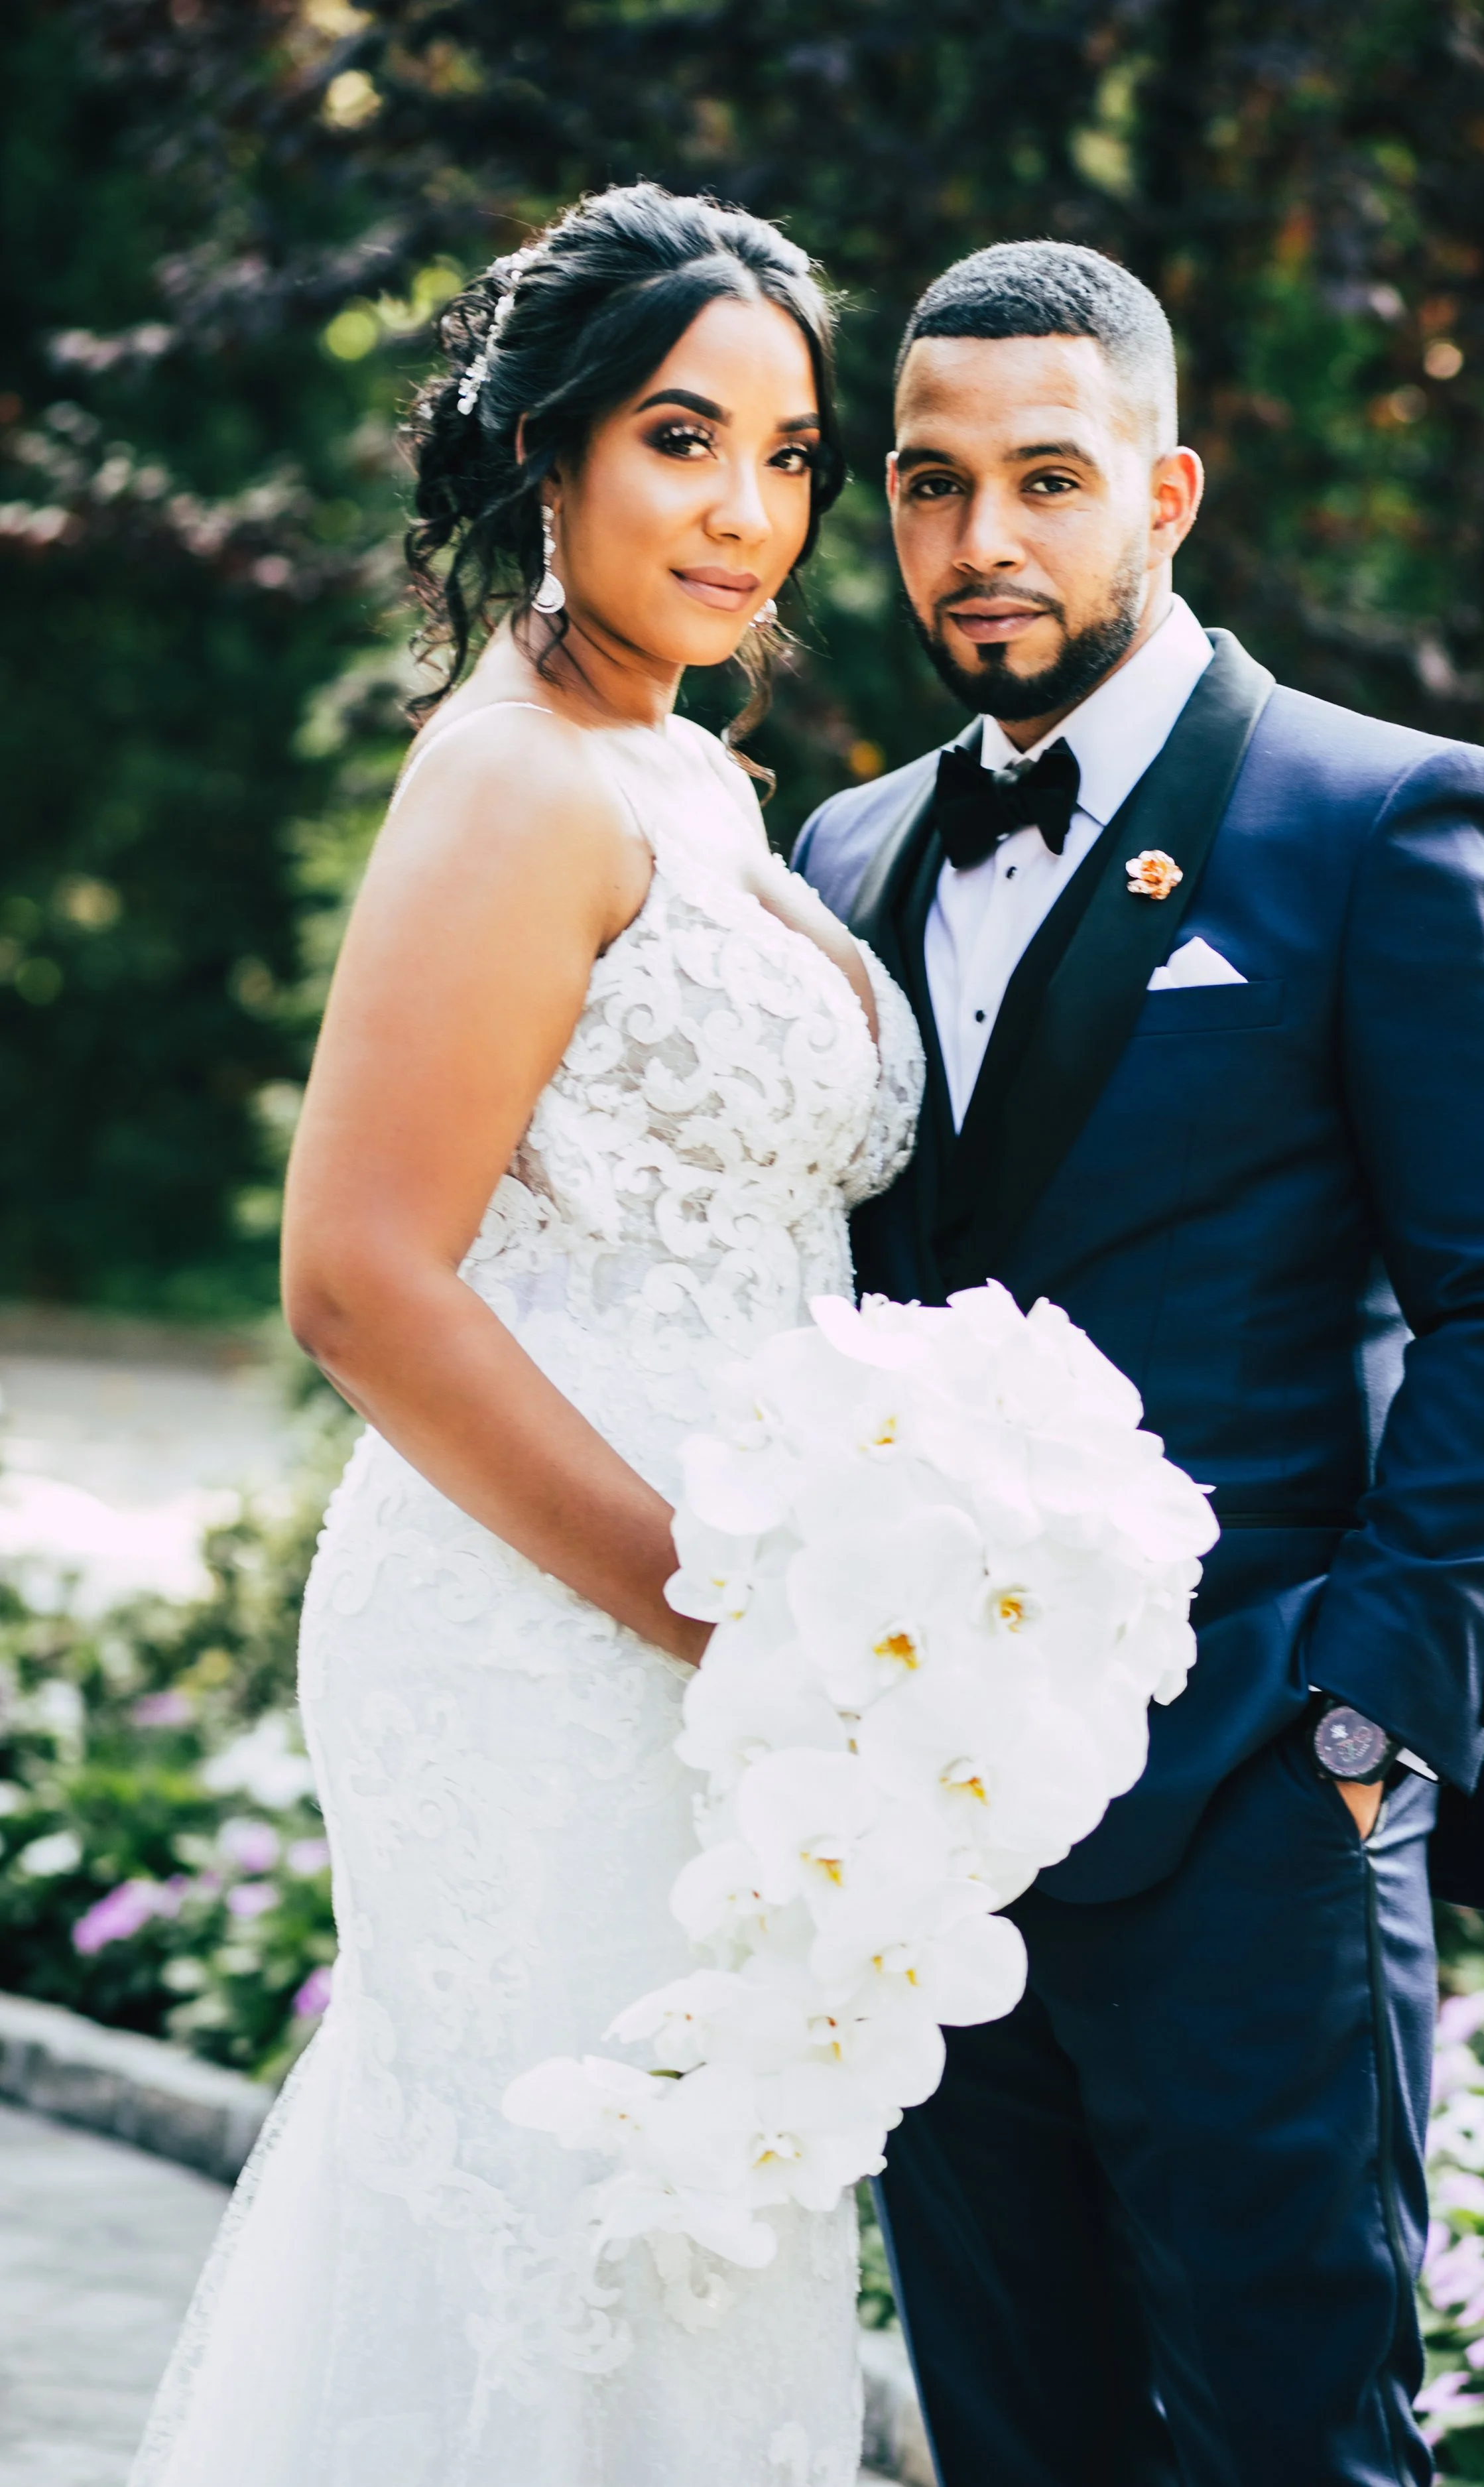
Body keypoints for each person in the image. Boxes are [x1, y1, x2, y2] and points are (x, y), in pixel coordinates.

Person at [793, 240, 1484, 2486]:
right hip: (929, 1845)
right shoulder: (840, 849)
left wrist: (1367, 1726)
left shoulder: (1386, 820)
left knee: (1294, 2450)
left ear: (1163, 491)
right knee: (1012, 2446)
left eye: (1046, 480)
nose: (983, 542)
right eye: (931, 483)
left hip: (1253, 1797)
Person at [128, 184, 921, 2487]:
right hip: (554, 1625)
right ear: (549, 455)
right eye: (685, 438)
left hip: (717, 1644)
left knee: (692, 2237)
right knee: (553, 2248)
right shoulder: (512, 778)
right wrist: (708, 1598)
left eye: (789, 454)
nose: (748, 510)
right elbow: (362, 1274)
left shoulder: (683, 766)